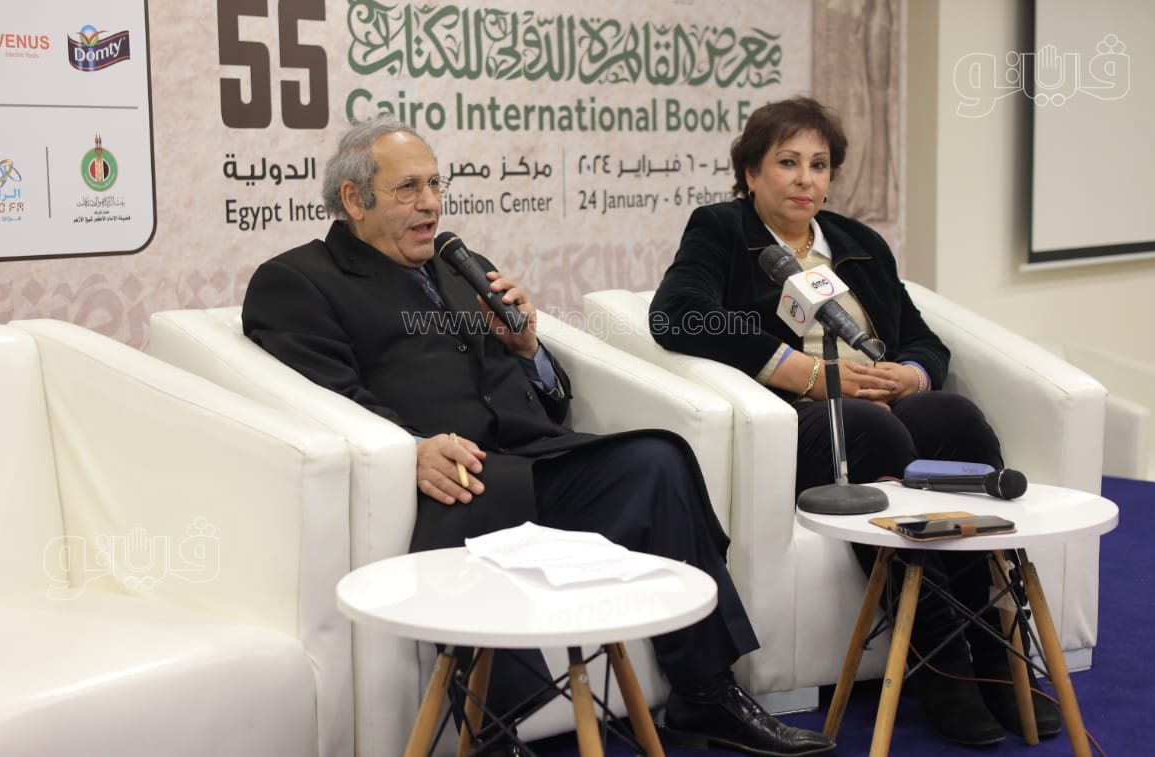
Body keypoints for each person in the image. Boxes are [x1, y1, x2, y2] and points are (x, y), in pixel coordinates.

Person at [242, 114, 834, 757]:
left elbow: (553, 399)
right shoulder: (298, 281)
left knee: (657, 458)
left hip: (536, 457)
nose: (431, 203)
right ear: (355, 200)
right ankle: (494, 733)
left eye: (435, 184)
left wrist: (529, 350)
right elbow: (324, 397)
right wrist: (408, 450)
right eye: (408, 188)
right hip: (457, 472)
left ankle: (706, 692)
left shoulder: (462, 265)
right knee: (479, 501)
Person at [649, 97, 1063, 747]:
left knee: (954, 416)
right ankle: (940, 663)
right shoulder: (722, 230)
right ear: (751, 172)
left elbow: (924, 339)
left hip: (883, 399)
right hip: (804, 417)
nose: (805, 179)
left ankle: (994, 650)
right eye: (787, 163)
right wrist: (802, 372)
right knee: (876, 430)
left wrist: (912, 375)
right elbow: (677, 313)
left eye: (818, 165)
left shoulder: (858, 244)